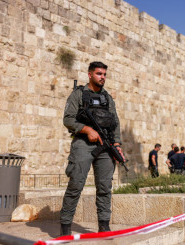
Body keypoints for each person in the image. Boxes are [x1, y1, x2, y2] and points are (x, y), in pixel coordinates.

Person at [60, 61, 124, 236]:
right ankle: (65, 226)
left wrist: (117, 145)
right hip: (83, 144)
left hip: (105, 145)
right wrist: (87, 129)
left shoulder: (107, 98)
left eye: (104, 74)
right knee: (76, 184)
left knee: (105, 187)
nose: (102, 77)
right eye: (99, 74)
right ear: (90, 74)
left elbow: (115, 123)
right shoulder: (78, 95)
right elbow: (68, 119)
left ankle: (104, 225)